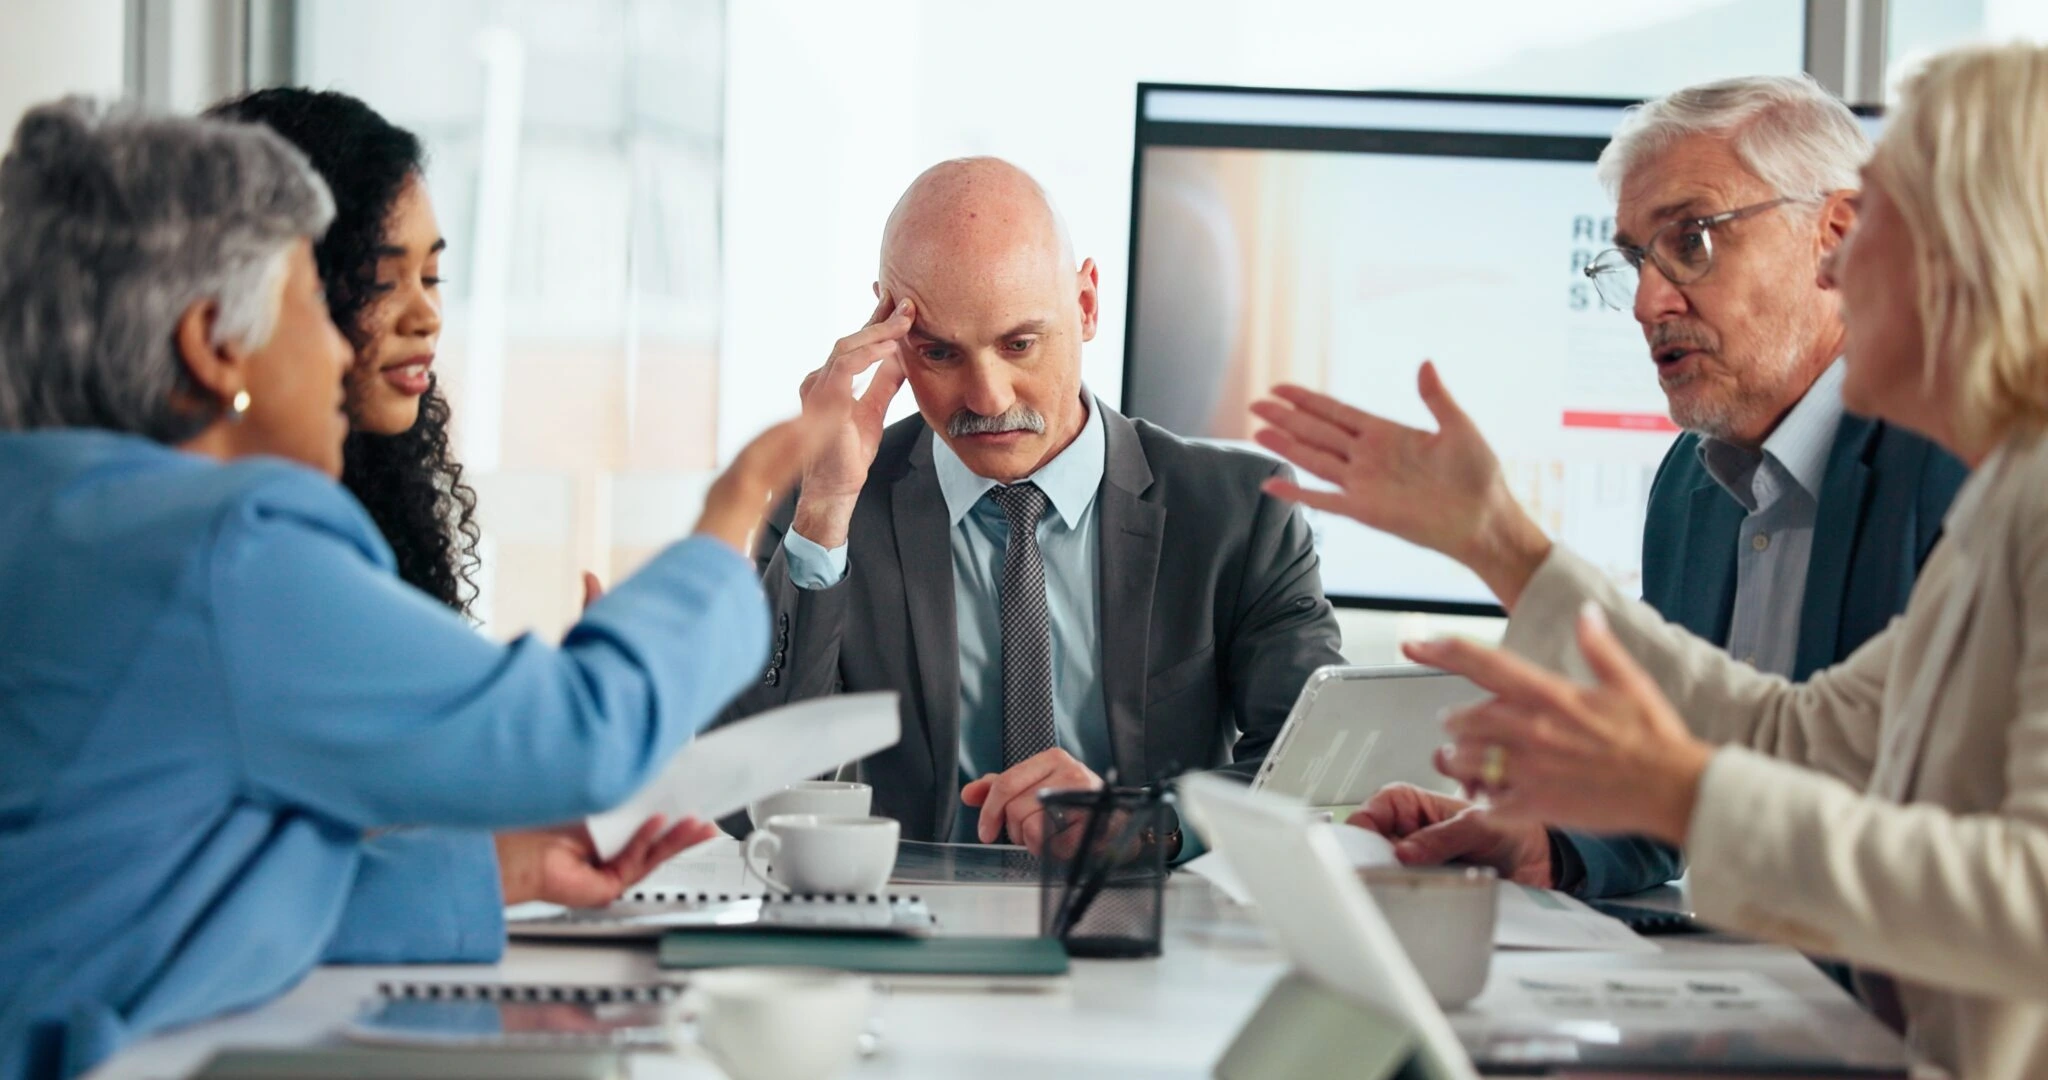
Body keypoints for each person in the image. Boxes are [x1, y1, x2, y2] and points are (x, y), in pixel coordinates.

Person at [1251, 43, 2048, 1080]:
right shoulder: (2005, 501)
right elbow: (1795, 734)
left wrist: (1684, 795)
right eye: (1634, 258)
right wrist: (1498, 542)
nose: (1841, 265)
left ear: (1974, 246)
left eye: (1877, 220)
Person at [0, 99, 823, 1080]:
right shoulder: (232, 548)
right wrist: (730, 519)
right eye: (314, 299)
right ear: (215, 343)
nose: (344, 350)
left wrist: (493, 873)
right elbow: (581, 735)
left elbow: (157, 903)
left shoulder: (50, 515)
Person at [1354, 75, 1964, 900]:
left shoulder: (1957, 461)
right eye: (1636, 259)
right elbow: (1675, 779)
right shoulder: (1692, 481)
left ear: (1837, 239)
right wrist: (1546, 844)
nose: (1647, 301)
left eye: (1692, 241)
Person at [718, 157, 1344, 853]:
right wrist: (827, 510)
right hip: (916, 937)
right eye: (940, 354)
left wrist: (1145, 828)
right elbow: (742, 798)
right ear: (893, 339)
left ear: (1086, 306)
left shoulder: (1241, 516)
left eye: (1019, 343)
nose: (988, 397)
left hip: (1144, 927)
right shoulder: (826, 513)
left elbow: (1316, 774)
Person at [205, 88, 481, 614]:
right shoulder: (243, 551)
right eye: (380, 281)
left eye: (431, 276)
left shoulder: (377, 495)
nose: (427, 317)